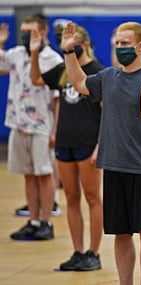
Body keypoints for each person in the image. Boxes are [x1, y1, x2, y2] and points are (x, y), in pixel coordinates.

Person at [61, 21, 141, 284]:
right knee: (121, 233)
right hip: (113, 166)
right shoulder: (108, 77)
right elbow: (78, 83)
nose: (119, 47)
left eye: (124, 43)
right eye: (116, 43)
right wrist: (68, 53)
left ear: (140, 46)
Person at [30, 21, 104, 270]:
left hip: (87, 141)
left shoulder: (97, 71)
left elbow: (107, 113)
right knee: (71, 198)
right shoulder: (63, 70)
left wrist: (99, 146)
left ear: (83, 45)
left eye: (72, 44)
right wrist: (34, 53)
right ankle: (78, 251)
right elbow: (37, 79)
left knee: (92, 198)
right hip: (65, 142)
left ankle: (94, 252)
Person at [1, 15, 63, 241]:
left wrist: (56, 129)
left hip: (42, 125)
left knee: (45, 174)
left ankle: (46, 221)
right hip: (18, 122)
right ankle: (33, 219)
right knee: (28, 175)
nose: (26, 35)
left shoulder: (53, 59)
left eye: (31, 31)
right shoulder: (16, 54)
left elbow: (58, 98)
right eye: (24, 30)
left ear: (44, 32)